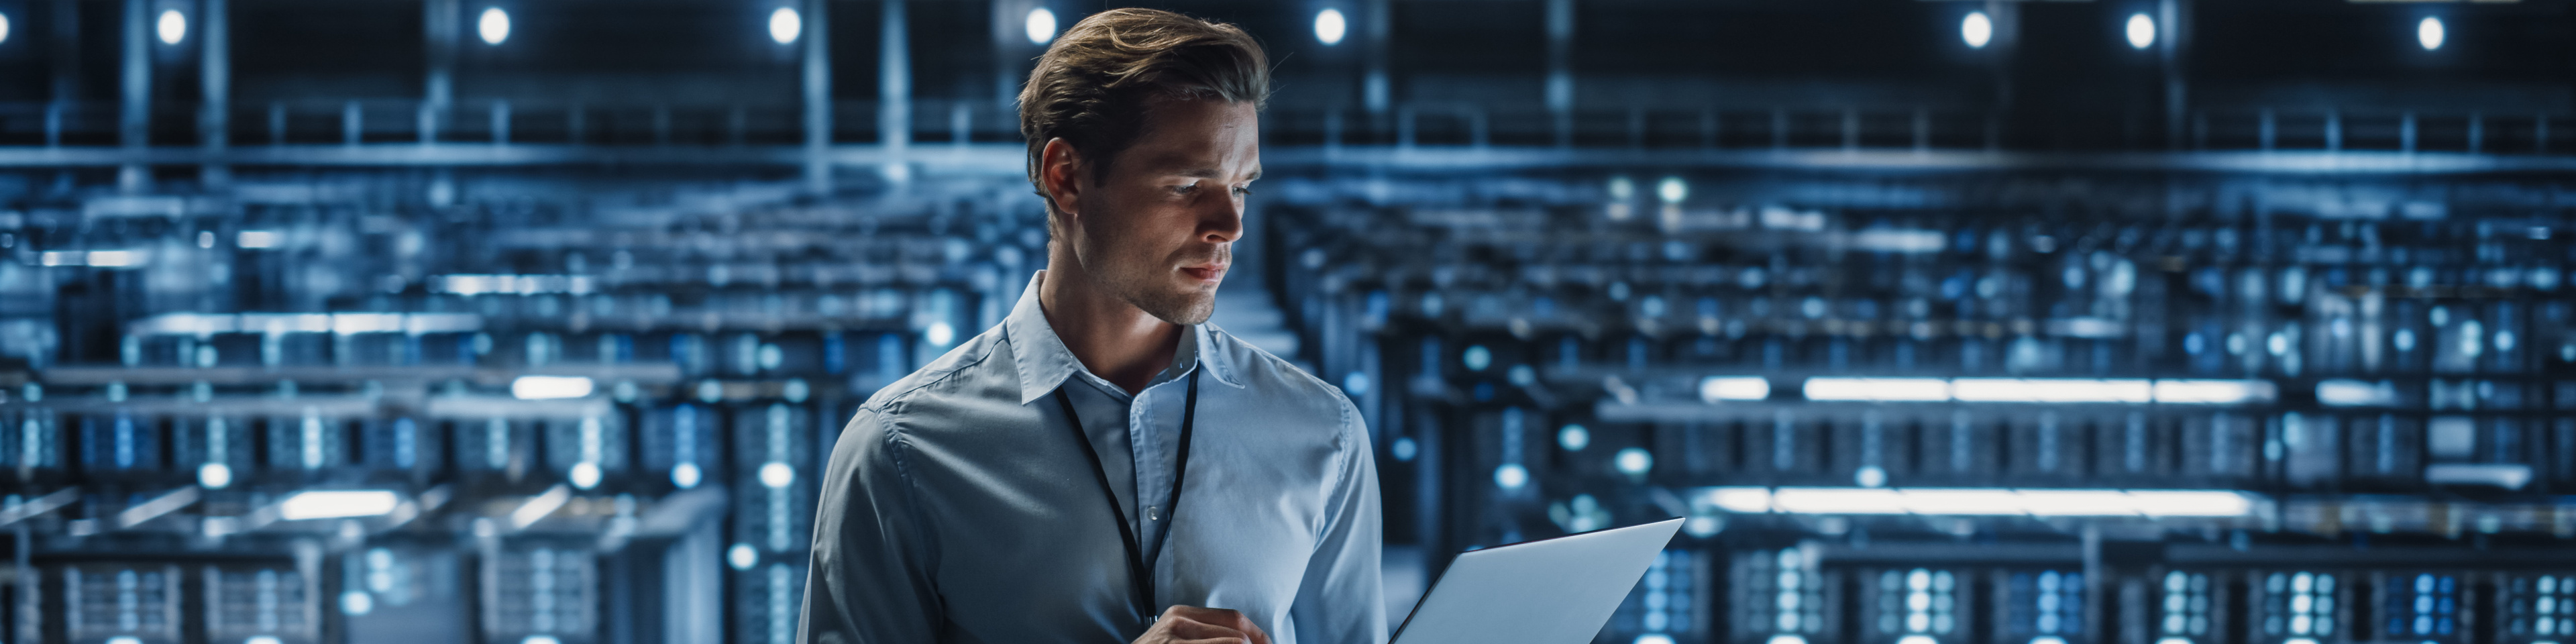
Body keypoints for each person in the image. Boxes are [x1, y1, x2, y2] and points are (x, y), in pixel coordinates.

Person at [796, 8, 1385, 644]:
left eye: (1241, 188)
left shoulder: (1324, 433)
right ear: (1067, 178)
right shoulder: (902, 451)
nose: (1231, 225)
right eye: (1188, 186)